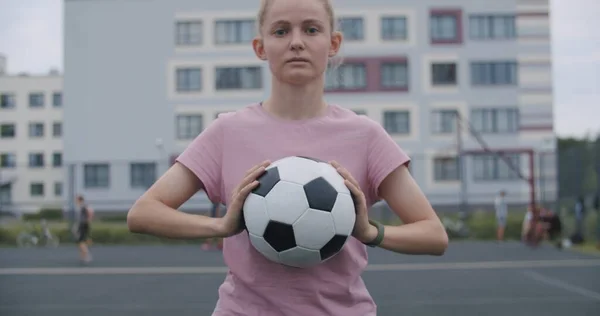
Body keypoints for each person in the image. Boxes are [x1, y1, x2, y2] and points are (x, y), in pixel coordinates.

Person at [127, 0, 448, 314]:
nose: (296, 42)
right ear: (260, 47)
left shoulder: (365, 135)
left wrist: (369, 232)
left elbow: (434, 235)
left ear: (333, 42)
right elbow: (143, 213)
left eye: (311, 29)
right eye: (281, 31)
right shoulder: (228, 131)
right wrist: (221, 225)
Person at [74, 195, 94, 263]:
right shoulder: (82, 206)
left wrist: (87, 221)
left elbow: (90, 213)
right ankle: (83, 256)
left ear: (80, 200)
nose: (75, 201)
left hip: (83, 225)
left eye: (76, 200)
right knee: (81, 241)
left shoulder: (83, 206)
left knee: (81, 241)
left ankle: (87, 256)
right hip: (83, 225)